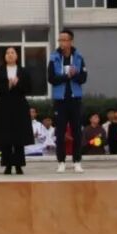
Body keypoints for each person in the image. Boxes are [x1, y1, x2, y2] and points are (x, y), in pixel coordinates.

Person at [48, 29, 87, 173]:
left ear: (71, 41)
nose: (62, 43)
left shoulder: (79, 57)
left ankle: (77, 161)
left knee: (77, 132)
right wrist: (66, 76)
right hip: (60, 100)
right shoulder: (54, 58)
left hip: (75, 99)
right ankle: (61, 161)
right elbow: (51, 79)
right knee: (60, 132)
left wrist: (74, 75)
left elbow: (83, 78)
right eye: (60, 40)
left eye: (64, 40)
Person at [0, 46, 33, 175]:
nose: (10, 55)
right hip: (4, 106)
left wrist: (17, 84)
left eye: (12, 52)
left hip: (19, 105)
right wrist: (8, 85)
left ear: (17, 55)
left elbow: (29, 88)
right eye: (7, 53)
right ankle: (8, 165)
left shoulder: (23, 71)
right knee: (6, 136)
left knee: (18, 136)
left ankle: (19, 165)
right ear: (4, 56)